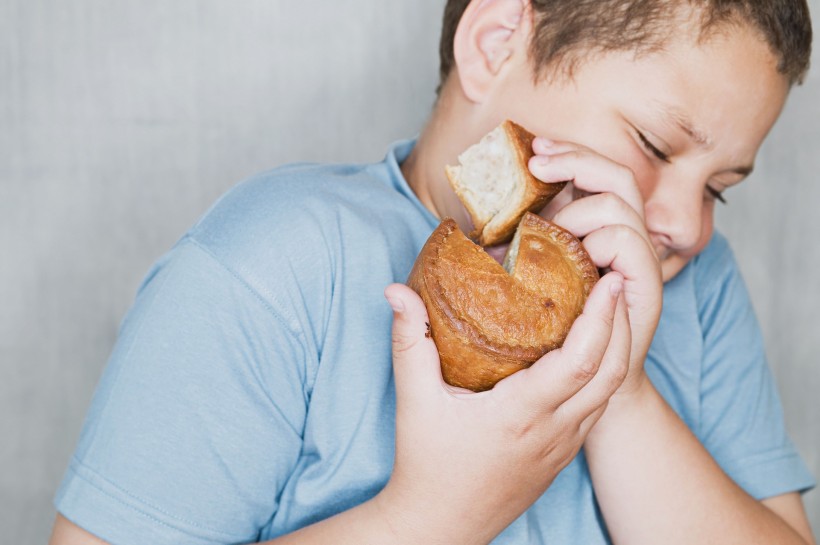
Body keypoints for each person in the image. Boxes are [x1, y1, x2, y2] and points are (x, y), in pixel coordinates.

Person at [49, 0, 816, 543]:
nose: (686, 222)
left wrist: (616, 387)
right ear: (495, 43)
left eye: (718, 189)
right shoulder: (272, 263)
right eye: (653, 144)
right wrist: (430, 516)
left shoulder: (699, 290)